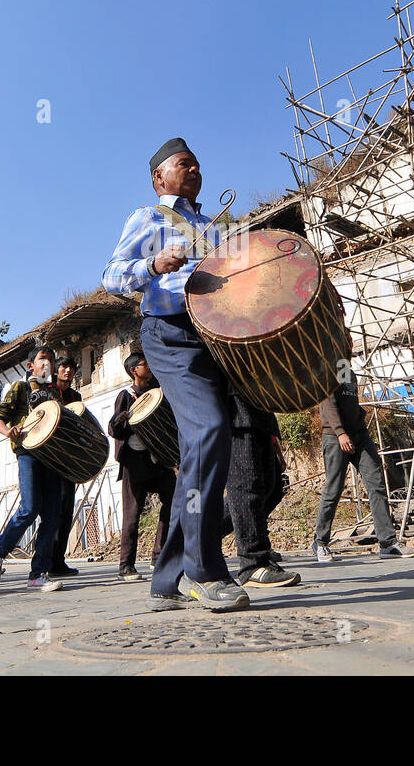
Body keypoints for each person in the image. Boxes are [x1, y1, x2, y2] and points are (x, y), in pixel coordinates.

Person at [102, 138, 249, 612]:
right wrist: (153, 264)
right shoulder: (149, 218)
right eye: (183, 164)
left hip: (214, 338)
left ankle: (167, 578)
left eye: (198, 165)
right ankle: (203, 571)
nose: (194, 170)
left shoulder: (216, 226)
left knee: (200, 451)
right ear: (158, 177)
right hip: (168, 334)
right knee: (210, 431)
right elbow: (111, 275)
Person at [0, 347, 66, 593]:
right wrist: (7, 430)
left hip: (51, 456)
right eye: (43, 359)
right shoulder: (20, 388)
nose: (47, 363)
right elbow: (0, 416)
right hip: (27, 452)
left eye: (51, 360)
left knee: (52, 516)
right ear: (31, 366)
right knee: (30, 507)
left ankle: (38, 573)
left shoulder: (56, 394)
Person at [312, 380, 410, 562]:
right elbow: (327, 403)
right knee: (334, 489)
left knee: (376, 485)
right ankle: (320, 542)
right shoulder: (328, 367)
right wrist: (340, 432)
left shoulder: (349, 371)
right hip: (335, 437)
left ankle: (387, 544)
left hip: (359, 435)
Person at [106, 352, 176, 581]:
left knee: (173, 500)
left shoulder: (157, 392)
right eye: (145, 364)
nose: (150, 367)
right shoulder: (125, 395)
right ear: (134, 370)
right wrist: (121, 419)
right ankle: (125, 566)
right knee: (132, 514)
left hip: (158, 458)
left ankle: (159, 556)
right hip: (134, 461)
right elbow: (113, 428)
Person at [224, 392, 301, 587]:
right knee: (247, 486)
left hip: (260, 411)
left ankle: (200, 536)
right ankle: (253, 563)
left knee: (270, 486)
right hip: (236, 413)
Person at [45, 355, 84, 578]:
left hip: (68, 459)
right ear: (56, 371)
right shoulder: (47, 392)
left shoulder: (75, 396)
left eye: (71, 368)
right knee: (52, 511)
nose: (68, 371)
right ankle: (46, 560)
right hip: (50, 456)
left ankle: (59, 561)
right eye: (64, 367)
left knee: (66, 510)